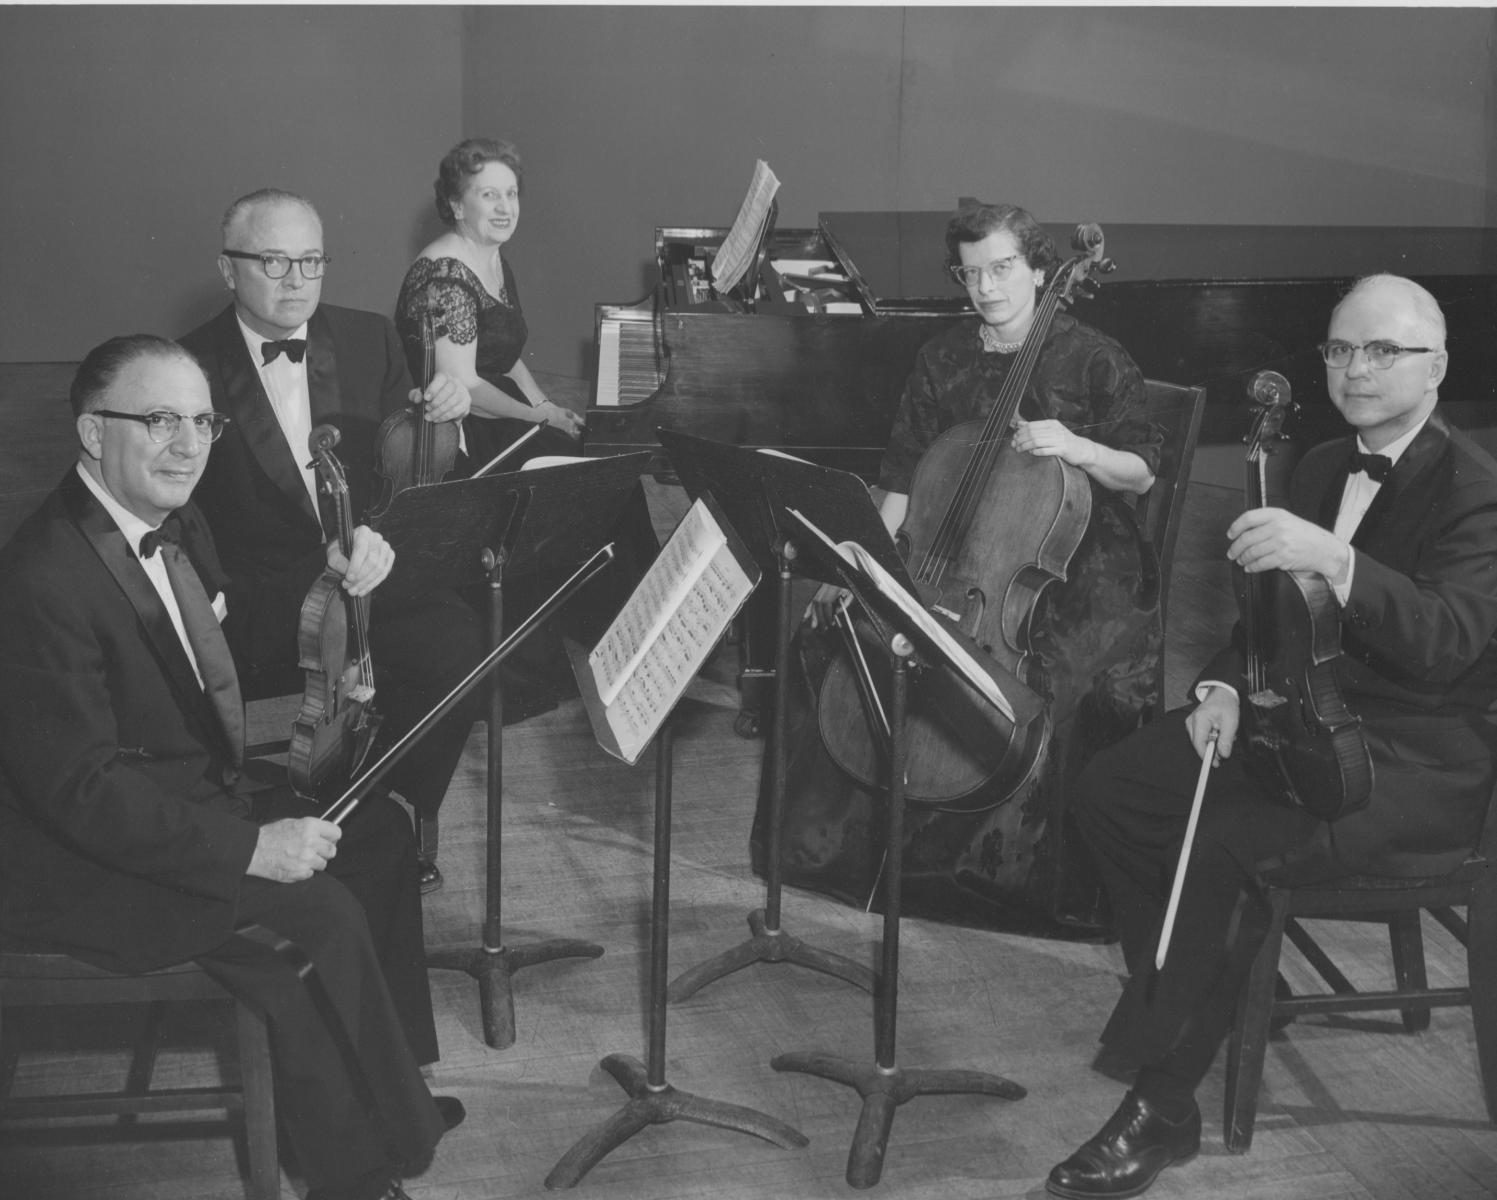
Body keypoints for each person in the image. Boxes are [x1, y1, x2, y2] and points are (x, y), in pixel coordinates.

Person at [1046, 274, 1497, 1198]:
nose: (1355, 368)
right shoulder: (1324, 464)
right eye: (1338, 349)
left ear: (1436, 367)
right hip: (1299, 718)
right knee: (1112, 789)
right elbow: (1263, 612)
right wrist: (1218, 686)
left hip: (1414, 761)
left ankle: (1163, 1103)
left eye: (1382, 350)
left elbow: (1445, 641)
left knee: (1231, 843)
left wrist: (1335, 557)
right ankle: (1201, 980)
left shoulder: (1475, 490)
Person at [0, 336, 464, 1200]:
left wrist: (332, 576)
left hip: (174, 783)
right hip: (74, 854)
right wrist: (246, 848)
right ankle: (354, 1174)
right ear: (93, 433)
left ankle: (389, 1087)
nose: (187, 444)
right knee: (316, 910)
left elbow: (225, 620)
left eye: (202, 421)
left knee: (377, 837)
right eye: (158, 420)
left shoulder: (172, 520)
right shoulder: (39, 580)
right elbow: (77, 792)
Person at [764, 200, 1164, 934]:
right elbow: (904, 478)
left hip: (1072, 557)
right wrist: (858, 565)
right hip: (951, 546)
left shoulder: (1095, 357)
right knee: (837, 631)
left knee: (1058, 669)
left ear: (1041, 269)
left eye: (1002, 268)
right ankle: (838, 858)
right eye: (970, 273)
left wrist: (1075, 447)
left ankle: (989, 882)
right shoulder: (942, 357)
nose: (985, 287)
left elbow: (1139, 472)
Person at [181, 188, 496, 892]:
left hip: (368, 568)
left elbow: (407, 467)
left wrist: (443, 413)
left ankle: (383, 813)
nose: (296, 280)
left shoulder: (367, 337)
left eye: (311, 260)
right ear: (229, 270)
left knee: (458, 645)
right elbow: (184, 522)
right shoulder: (187, 365)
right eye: (273, 261)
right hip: (261, 591)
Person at [394, 137, 583, 472]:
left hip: (497, 409)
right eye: (489, 195)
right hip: (460, 431)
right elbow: (464, 388)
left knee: (594, 455)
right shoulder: (445, 276)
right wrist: (537, 417)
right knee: (584, 474)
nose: (505, 208)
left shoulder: (492, 257)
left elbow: (503, 354)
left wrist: (545, 405)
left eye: (510, 194)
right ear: (457, 205)